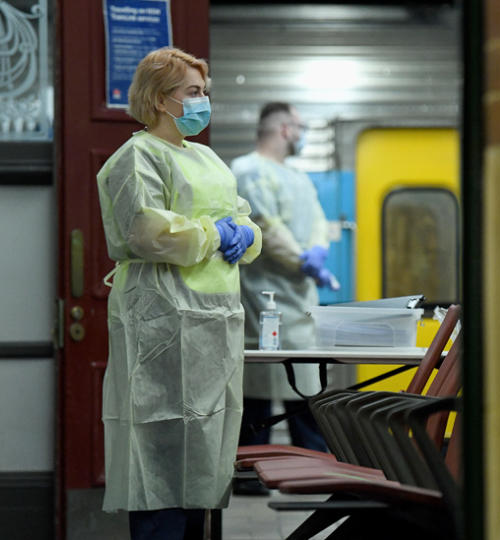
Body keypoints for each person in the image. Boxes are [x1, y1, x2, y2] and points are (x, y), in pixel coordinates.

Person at [95, 47, 262, 540]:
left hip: (216, 322)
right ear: (159, 99)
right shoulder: (134, 158)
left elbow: (244, 216)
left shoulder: (207, 157)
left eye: (204, 93)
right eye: (192, 93)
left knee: (205, 450)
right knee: (159, 447)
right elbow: (148, 232)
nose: (202, 102)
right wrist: (216, 234)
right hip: (161, 323)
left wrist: (247, 236)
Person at [230, 103, 339, 494]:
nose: (304, 133)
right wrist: (301, 260)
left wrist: (318, 253)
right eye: (302, 126)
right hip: (263, 300)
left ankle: (313, 474)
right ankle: (249, 478)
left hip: (302, 303)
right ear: (285, 129)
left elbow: (319, 222)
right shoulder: (246, 171)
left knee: (305, 393)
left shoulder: (298, 177)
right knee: (258, 391)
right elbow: (265, 226)